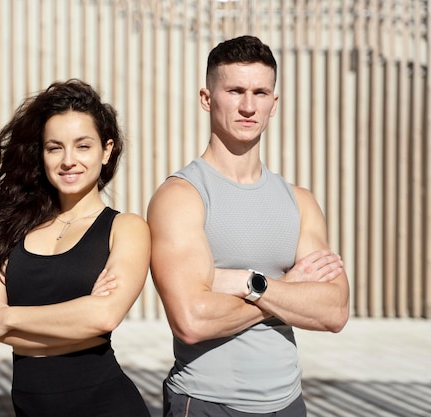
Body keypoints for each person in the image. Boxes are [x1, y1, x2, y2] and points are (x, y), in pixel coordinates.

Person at [147, 35, 350, 417]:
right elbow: (192, 320)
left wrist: (246, 283)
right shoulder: (181, 196)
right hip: (207, 403)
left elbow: (334, 310)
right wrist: (287, 288)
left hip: (289, 402)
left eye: (260, 92)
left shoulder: (299, 200)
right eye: (235, 90)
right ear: (207, 98)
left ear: (274, 103)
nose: (247, 106)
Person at [0, 79, 151, 417]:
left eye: (83, 146)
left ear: (106, 150)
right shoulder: (8, 227)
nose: (69, 160)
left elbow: (104, 316)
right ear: (41, 153)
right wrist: (79, 315)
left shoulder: (126, 228)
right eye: (55, 147)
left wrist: (10, 317)